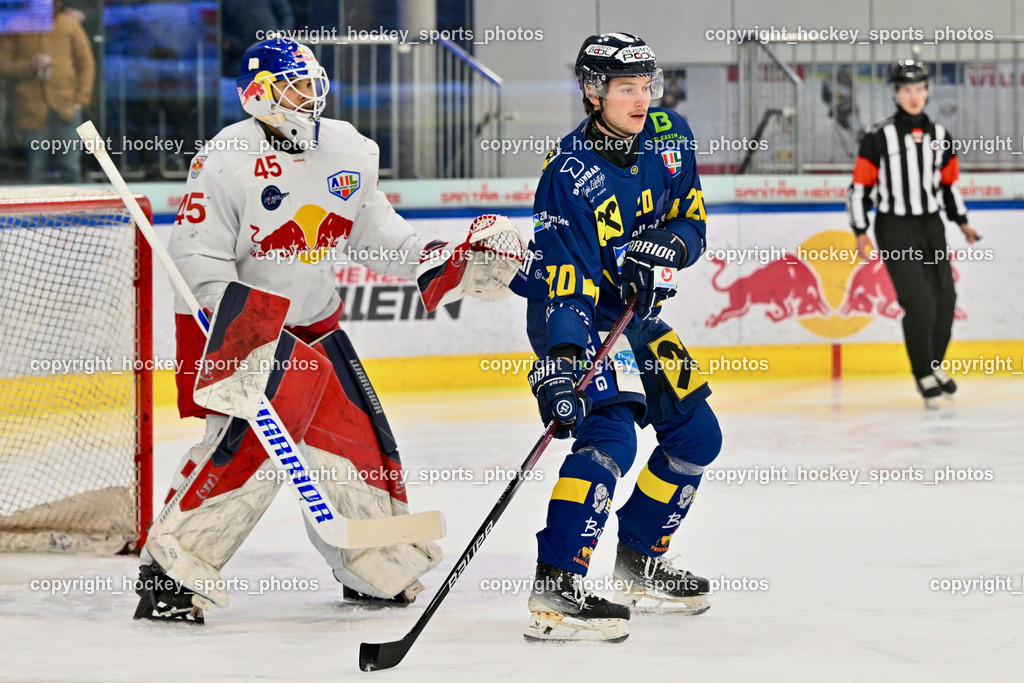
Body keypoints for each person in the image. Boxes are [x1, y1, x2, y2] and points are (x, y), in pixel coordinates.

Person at [134, 38, 524, 623]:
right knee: (244, 453)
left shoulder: (349, 147)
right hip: (251, 330)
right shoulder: (224, 158)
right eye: (293, 85)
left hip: (316, 326)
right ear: (258, 94)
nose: (308, 95)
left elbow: (377, 237)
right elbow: (198, 258)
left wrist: (444, 259)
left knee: (362, 446)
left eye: (311, 81)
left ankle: (374, 566)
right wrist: (238, 335)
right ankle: (170, 573)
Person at [510, 33, 722, 643]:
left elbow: (691, 219)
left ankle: (638, 563)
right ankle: (557, 583)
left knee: (696, 434)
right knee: (608, 437)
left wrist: (670, 246)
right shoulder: (567, 173)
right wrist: (563, 363)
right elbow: (563, 276)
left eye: (646, 86)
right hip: (577, 317)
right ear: (592, 91)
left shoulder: (671, 135)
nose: (640, 99)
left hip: (639, 315)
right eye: (625, 88)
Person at [847, 60, 979, 408]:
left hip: (931, 225)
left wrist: (962, 221)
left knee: (946, 300)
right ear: (895, 93)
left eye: (919, 88)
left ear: (928, 91)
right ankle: (923, 373)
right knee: (918, 304)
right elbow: (858, 189)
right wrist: (860, 231)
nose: (914, 96)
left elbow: (949, 186)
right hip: (895, 227)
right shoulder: (878, 137)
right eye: (906, 89)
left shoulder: (940, 137)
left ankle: (935, 366)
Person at [0, 0, 95, 183]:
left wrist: (80, 100)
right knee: (35, 167)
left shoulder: (68, 24)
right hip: (31, 107)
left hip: (67, 106)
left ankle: (74, 210)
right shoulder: (16, 25)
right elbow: (3, 66)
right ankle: (32, 211)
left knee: (70, 167)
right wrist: (29, 65)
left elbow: (86, 63)